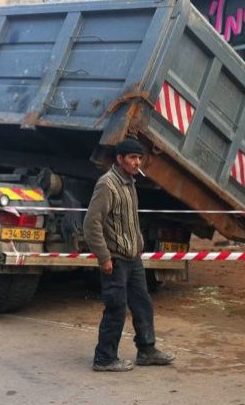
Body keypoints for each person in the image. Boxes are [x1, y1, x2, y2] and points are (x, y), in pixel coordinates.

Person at [83, 137, 175, 372]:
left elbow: (129, 220)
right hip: (115, 259)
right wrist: (104, 256)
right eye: (133, 158)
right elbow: (92, 223)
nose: (137, 163)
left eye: (139, 158)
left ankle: (146, 350)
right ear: (120, 159)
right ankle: (104, 359)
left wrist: (139, 244)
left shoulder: (129, 182)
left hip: (132, 258)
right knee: (116, 307)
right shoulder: (107, 184)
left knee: (143, 304)